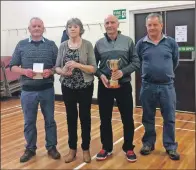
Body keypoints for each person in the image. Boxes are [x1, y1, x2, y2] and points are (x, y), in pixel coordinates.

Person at [9, 17, 61, 163]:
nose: (37, 28)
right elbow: (12, 66)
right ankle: (30, 148)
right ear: (29, 28)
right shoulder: (21, 45)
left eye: (39, 26)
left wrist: (51, 72)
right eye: (34, 26)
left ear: (43, 28)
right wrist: (25, 71)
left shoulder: (51, 45)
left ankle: (51, 147)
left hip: (47, 90)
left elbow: (58, 66)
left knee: (50, 120)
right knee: (29, 121)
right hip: (27, 91)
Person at [94, 15, 140, 162]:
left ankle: (129, 148)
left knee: (127, 118)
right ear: (104, 25)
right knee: (105, 119)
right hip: (105, 86)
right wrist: (100, 75)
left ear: (117, 24)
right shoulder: (99, 43)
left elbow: (136, 62)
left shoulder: (128, 41)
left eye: (112, 22)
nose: (109, 25)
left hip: (124, 85)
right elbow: (94, 66)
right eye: (107, 22)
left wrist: (123, 72)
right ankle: (106, 147)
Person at [136, 13, 180, 160]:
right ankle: (148, 143)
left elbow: (175, 62)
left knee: (169, 118)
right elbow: (138, 63)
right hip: (148, 86)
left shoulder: (171, 43)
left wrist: (163, 73)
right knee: (148, 117)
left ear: (161, 25)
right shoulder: (141, 44)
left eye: (155, 24)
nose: (152, 28)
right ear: (146, 26)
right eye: (149, 25)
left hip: (167, 87)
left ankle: (170, 146)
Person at [55, 18, 97, 163]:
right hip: (67, 87)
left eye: (75, 26)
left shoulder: (87, 45)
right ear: (66, 30)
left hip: (85, 87)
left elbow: (93, 68)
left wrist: (77, 65)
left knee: (85, 118)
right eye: (69, 27)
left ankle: (86, 149)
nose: (72, 29)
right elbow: (56, 67)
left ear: (80, 29)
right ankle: (72, 150)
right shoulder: (62, 46)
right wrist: (63, 72)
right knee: (71, 118)